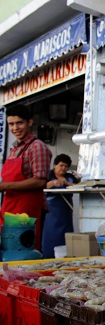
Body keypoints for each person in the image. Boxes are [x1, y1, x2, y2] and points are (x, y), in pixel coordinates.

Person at [0, 105, 52, 252]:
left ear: (30, 122)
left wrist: (4, 186)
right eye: (11, 124)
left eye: (19, 123)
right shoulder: (14, 149)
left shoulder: (37, 147)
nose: (15, 128)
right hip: (10, 210)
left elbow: (41, 180)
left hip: (28, 212)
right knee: (8, 252)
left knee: (25, 254)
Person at [41, 154, 79, 258]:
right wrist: (53, 183)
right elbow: (43, 185)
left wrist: (67, 183)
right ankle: (48, 256)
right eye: (61, 165)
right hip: (51, 211)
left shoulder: (70, 177)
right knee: (50, 235)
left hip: (65, 210)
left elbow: (78, 186)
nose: (63, 168)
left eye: (66, 166)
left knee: (66, 235)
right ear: (55, 165)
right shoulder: (48, 175)